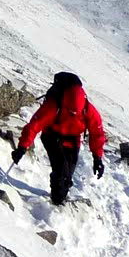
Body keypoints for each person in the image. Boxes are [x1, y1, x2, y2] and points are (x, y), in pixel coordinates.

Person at [12, 71, 106, 205]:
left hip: (73, 139)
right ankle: (56, 203)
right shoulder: (54, 105)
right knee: (61, 170)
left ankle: (60, 199)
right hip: (51, 136)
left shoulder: (88, 110)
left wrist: (98, 158)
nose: (73, 114)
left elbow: (97, 133)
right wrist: (22, 147)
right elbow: (34, 125)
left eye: (75, 112)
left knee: (68, 175)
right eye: (70, 111)